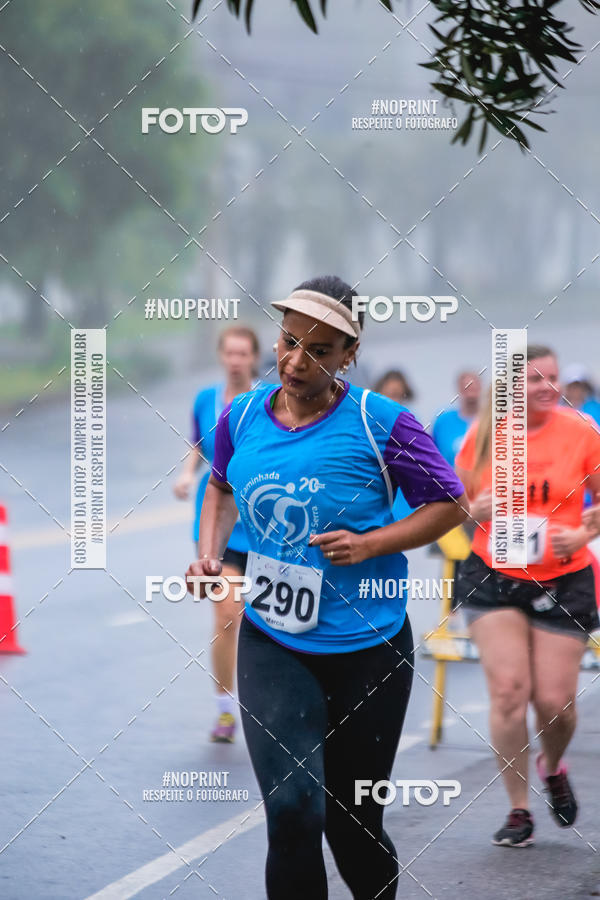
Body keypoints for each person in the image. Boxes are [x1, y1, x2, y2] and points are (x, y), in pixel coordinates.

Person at [185, 275, 468, 899]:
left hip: (370, 648)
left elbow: (450, 502)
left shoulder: (380, 422)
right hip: (272, 641)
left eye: (317, 350)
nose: (294, 361)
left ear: (347, 355)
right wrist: (208, 555)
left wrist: (372, 544)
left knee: (352, 826)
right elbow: (221, 487)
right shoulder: (241, 416)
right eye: (288, 342)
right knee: (291, 813)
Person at [454, 345, 600, 848]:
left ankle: (552, 766)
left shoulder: (581, 432)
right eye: (536, 379)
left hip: (563, 577)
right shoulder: (484, 435)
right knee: (510, 692)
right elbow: (452, 509)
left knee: (554, 702)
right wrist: (478, 507)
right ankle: (518, 809)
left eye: (554, 378)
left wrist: (583, 534)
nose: (548, 388)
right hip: (491, 576)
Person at [174, 325, 260, 743]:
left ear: (255, 358)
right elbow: (197, 444)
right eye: (230, 353)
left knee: (266, 619)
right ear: (222, 356)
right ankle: (226, 709)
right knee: (228, 614)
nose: (236, 360)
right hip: (215, 522)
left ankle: (270, 705)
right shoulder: (206, 400)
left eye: (244, 353)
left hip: (264, 528)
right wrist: (187, 474)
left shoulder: (268, 402)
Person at [374, 370, 417, 521]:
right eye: (390, 395)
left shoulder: (412, 426)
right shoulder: (369, 428)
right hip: (380, 510)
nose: (395, 401)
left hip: (409, 510)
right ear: (378, 394)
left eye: (399, 395)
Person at [433, 370, 481, 466]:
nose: (470, 394)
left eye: (474, 388)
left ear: (480, 388)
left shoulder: (492, 422)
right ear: (459, 390)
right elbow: (432, 457)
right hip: (449, 479)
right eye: (466, 388)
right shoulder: (443, 422)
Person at [562, 363, 600, 429]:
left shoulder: (596, 408)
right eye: (573, 387)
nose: (577, 391)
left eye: (580, 386)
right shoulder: (558, 409)